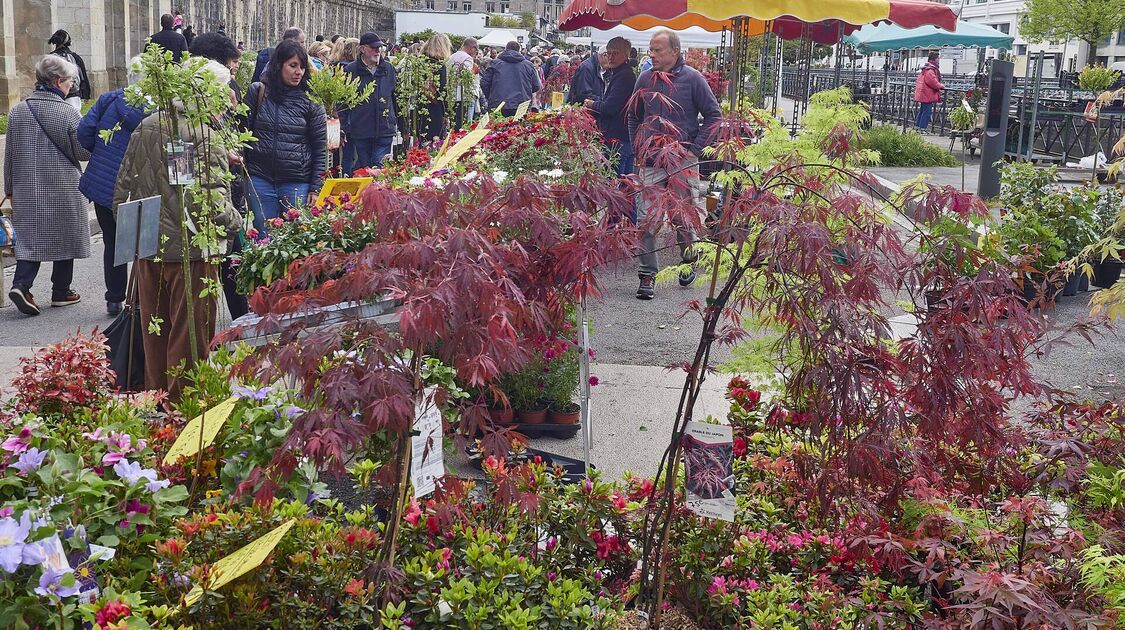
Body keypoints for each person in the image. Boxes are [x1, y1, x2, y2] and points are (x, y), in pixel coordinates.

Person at [112, 60, 243, 401]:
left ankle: (158, 401)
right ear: (210, 92)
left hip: (147, 244)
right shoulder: (202, 134)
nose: (229, 97)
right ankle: (185, 405)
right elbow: (209, 204)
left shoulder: (147, 125)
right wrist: (239, 224)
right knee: (189, 333)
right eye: (225, 88)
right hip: (190, 251)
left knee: (154, 329)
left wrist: (139, 235)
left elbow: (121, 190)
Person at [627, 30, 721, 300]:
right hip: (650, 161)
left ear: (674, 51)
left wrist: (693, 150)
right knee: (646, 219)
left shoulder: (693, 79)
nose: (651, 55)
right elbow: (634, 115)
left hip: (682, 160)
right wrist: (637, 146)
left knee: (683, 216)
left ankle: (689, 258)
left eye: (657, 50)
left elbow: (714, 115)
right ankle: (647, 274)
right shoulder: (644, 78)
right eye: (651, 49)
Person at [4, 56, 91, 316]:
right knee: (65, 234)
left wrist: (9, 188)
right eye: (69, 82)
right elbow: (83, 152)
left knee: (30, 238)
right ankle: (61, 291)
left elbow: (9, 155)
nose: (70, 87)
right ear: (57, 81)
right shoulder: (68, 113)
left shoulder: (18, 111)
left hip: (26, 186)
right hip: (63, 185)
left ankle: (22, 285)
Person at [77, 58, 148, 316]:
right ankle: (140, 296)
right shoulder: (159, 108)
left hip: (104, 181)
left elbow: (84, 131)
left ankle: (115, 298)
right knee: (146, 241)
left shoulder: (109, 100)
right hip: (141, 184)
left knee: (112, 240)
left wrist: (101, 152)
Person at [190, 32, 249, 319]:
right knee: (219, 266)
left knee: (230, 266)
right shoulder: (188, 117)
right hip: (206, 204)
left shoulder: (221, 99)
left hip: (221, 194)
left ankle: (240, 320)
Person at [243, 40, 326, 233]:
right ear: (279, 65)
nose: (299, 72)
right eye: (293, 66)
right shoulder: (259, 92)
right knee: (264, 238)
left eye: (302, 67)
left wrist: (315, 188)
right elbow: (241, 134)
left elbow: (319, 147)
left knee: (295, 240)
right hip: (260, 179)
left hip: (297, 182)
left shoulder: (311, 100)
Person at [341, 32, 398, 172]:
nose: (377, 51)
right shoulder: (351, 70)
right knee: (365, 167)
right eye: (373, 48)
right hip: (361, 129)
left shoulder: (388, 69)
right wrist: (343, 127)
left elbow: (395, 98)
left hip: (385, 128)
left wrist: (401, 125)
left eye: (379, 48)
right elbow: (343, 102)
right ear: (362, 49)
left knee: (378, 166)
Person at [585, 36, 636, 177]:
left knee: (615, 183)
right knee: (625, 185)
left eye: (615, 53)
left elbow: (610, 108)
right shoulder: (620, 74)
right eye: (609, 53)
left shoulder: (624, 76)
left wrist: (592, 104)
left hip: (618, 138)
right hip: (623, 138)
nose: (611, 57)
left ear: (626, 55)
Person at [481, 41, 541, 117]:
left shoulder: (495, 63)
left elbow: (484, 83)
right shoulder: (528, 65)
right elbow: (536, 86)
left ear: (505, 49)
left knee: (496, 127)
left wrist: (491, 96)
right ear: (519, 50)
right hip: (521, 105)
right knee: (519, 128)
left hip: (498, 104)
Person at [415, 33, 450, 144]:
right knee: (436, 142)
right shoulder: (439, 65)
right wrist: (447, 111)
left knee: (422, 141)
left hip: (421, 108)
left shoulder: (420, 62)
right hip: (436, 108)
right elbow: (443, 90)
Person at [47, 30, 90, 110]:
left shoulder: (49, 58)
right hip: (72, 95)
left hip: (54, 95)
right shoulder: (75, 57)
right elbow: (83, 77)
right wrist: (86, 95)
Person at [448, 37, 480, 130]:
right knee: (463, 126)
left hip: (452, 95)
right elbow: (467, 78)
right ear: (471, 48)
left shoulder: (451, 57)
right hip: (463, 95)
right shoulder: (468, 58)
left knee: (454, 125)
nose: (476, 53)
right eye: (476, 50)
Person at [914, 51, 943, 131]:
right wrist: (941, 86)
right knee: (927, 112)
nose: (939, 60)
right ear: (935, 59)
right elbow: (933, 81)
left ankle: (918, 126)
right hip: (927, 94)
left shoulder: (926, 68)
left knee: (922, 110)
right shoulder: (930, 70)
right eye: (938, 58)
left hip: (923, 93)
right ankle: (922, 128)